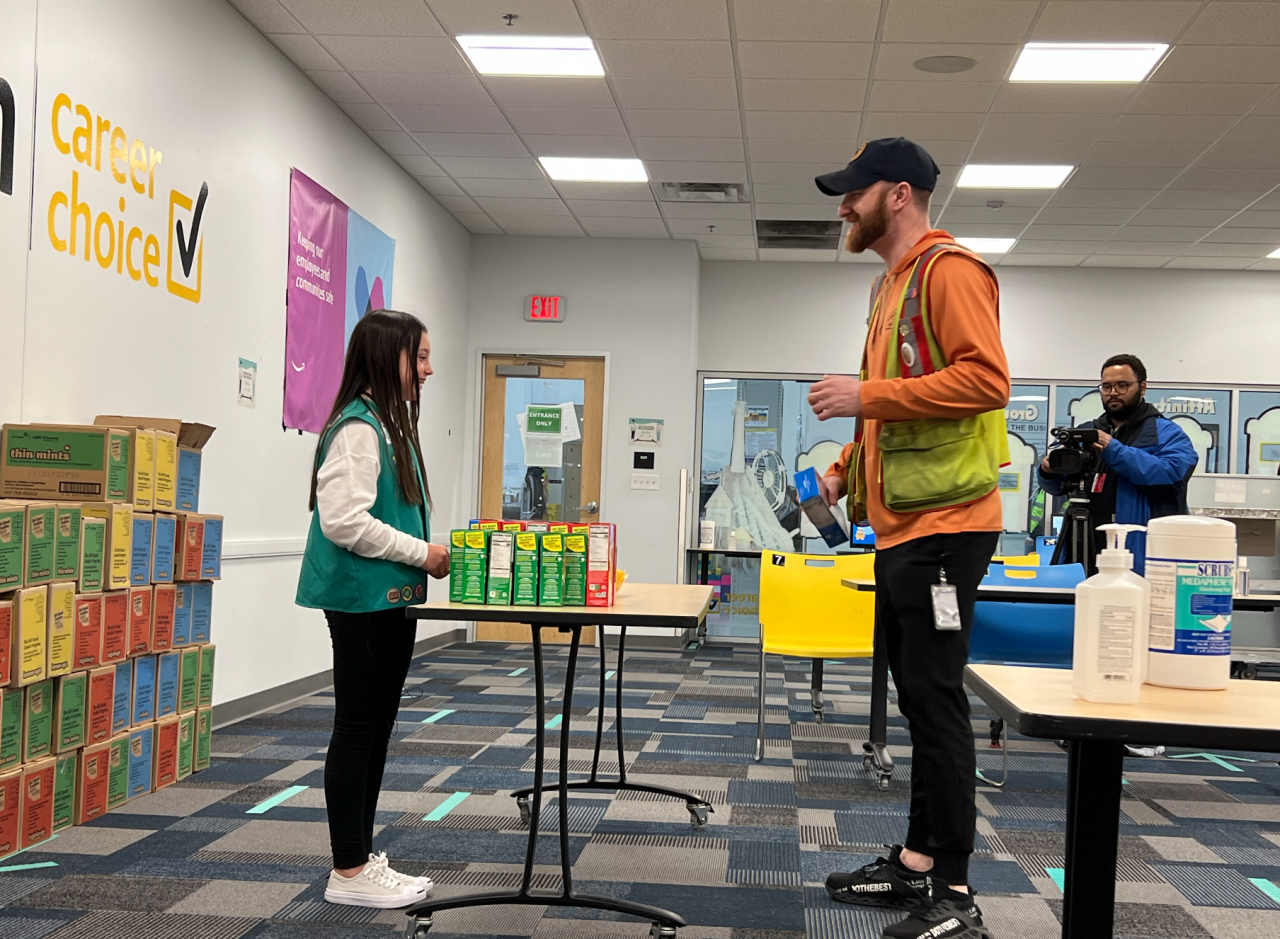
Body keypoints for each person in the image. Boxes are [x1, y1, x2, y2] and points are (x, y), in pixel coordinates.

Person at [806, 138, 1011, 939]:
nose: (842, 206)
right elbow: (898, 411)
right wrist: (846, 468)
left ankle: (956, 894)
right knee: (917, 697)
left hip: (947, 527)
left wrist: (868, 392)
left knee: (937, 699)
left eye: (853, 193)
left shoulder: (948, 270)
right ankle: (920, 860)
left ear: (898, 194)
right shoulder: (889, 284)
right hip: (903, 527)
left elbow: (987, 379)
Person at [296, 309, 451, 909]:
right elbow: (342, 521)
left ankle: (358, 856)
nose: (428, 370)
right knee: (359, 728)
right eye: (420, 357)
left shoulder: (387, 426)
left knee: (376, 727)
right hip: (362, 601)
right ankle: (349, 870)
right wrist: (422, 552)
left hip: (388, 599)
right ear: (390, 358)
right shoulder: (359, 429)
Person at [1039, 354, 1197, 575]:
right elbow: (1057, 487)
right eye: (1106, 386)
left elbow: (1171, 474)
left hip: (1141, 552)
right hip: (1082, 546)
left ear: (1142, 387)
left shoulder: (1167, 432)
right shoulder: (1085, 431)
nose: (1113, 392)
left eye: (1122, 385)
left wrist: (1113, 448)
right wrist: (1048, 471)